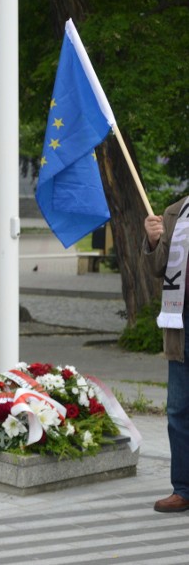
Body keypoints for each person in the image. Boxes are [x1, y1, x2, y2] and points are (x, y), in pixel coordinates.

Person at [144, 202, 189, 513]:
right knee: (178, 411)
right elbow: (157, 267)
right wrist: (152, 240)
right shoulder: (176, 213)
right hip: (181, 325)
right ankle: (183, 489)